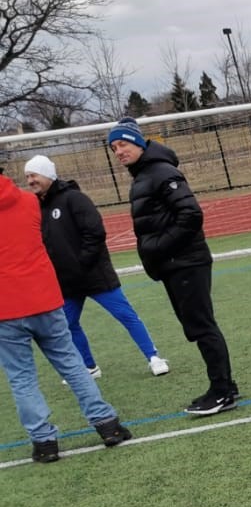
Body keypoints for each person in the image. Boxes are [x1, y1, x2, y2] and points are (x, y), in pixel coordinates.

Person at [107, 119, 236, 416]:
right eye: (113, 148)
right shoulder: (144, 175)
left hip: (186, 262)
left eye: (123, 144)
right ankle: (225, 386)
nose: (118, 151)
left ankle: (222, 392)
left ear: (138, 142)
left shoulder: (161, 172)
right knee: (198, 327)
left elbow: (191, 215)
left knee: (202, 327)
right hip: (175, 264)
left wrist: (158, 246)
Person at [0, 175, 133, 461]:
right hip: (43, 298)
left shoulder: (29, 201)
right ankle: (106, 424)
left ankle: (44, 442)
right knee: (72, 364)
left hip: (6, 309)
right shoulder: (29, 202)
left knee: (22, 378)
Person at [24, 155, 167, 379]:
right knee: (68, 324)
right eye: (27, 177)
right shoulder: (35, 206)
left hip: (94, 275)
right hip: (66, 281)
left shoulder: (74, 198)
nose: (30, 181)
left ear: (47, 175)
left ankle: (154, 357)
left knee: (125, 315)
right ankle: (89, 366)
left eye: (34, 175)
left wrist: (82, 262)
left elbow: (95, 232)